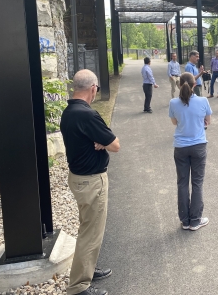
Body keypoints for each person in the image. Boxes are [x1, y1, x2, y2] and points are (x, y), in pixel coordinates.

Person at [60, 69, 120, 295]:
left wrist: (100, 141)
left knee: (88, 228)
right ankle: (78, 287)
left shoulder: (69, 111)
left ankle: (88, 267)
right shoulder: (87, 115)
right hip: (91, 182)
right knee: (91, 232)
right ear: (93, 88)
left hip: (79, 178)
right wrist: (104, 142)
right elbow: (115, 144)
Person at [169, 72, 212, 231]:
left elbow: (174, 122)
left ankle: (185, 220)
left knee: (182, 182)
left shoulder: (173, 103)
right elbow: (208, 121)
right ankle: (196, 220)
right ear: (195, 84)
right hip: (198, 145)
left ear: (179, 85)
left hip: (180, 146)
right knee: (197, 182)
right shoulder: (203, 101)